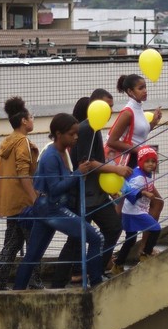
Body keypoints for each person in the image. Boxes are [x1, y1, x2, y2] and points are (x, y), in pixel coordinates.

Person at [12, 114, 103, 289]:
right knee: (96, 238)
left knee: (33, 255)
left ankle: (17, 290)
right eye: (71, 134)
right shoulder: (51, 156)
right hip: (51, 209)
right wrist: (77, 173)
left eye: (76, 133)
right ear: (58, 134)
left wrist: (76, 174)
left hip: (46, 209)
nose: (76, 137)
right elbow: (54, 188)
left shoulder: (61, 153)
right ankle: (97, 283)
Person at [51, 90, 130, 288]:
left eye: (112, 106)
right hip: (83, 195)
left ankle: (96, 271)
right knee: (76, 239)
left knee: (113, 227)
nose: (110, 110)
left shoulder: (95, 128)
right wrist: (117, 169)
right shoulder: (86, 128)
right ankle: (59, 283)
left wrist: (109, 185)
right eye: (107, 105)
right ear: (95, 105)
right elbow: (87, 163)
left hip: (98, 194)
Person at [106, 74, 164, 248]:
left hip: (138, 164)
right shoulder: (127, 112)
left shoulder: (138, 108)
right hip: (128, 165)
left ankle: (144, 248)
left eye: (145, 87)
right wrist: (138, 150)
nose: (145, 91)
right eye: (140, 88)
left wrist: (153, 123)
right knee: (121, 210)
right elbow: (112, 141)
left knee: (155, 203)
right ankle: (110, 255)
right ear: (130, 91)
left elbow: (138, 135)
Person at [0, 97, 41, 290]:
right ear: (23, 122)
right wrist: (34, 198)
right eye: (31, 117)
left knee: (11, 243)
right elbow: (23, 173)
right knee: (34, 242)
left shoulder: (7, 142)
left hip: (11, 203)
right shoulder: (23, 143)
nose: (33, 120)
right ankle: (34, 282)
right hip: (24, 203)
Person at [112, 146, 162, 272]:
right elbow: (129, 193)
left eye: (153, 161)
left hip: (130, 211)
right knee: (155, 228)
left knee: (130, 240)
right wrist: (144, 193)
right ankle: (145, 254)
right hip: (134, 212)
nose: (150, 164)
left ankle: (118, 265)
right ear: (140, 162)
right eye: (147, 161)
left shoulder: (143, 173)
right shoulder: (139, 177)